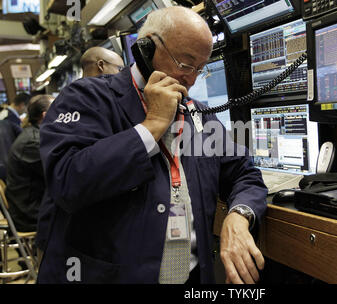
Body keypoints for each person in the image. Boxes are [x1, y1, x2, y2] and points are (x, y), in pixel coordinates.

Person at [37, 6, 267, 284]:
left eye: (200, 69)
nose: (191, 79)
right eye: (185, 64)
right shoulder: (88, 97)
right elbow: (67, 181)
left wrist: (239, 216)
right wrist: (151, 126)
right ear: (145, 48)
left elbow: (245, 173)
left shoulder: (200, 115)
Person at [5, 95, 53, 232]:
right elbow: (58, 173)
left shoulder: (34, 135)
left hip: (29, 205)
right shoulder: (33, 142)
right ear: (45, 115)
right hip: (29, 213)